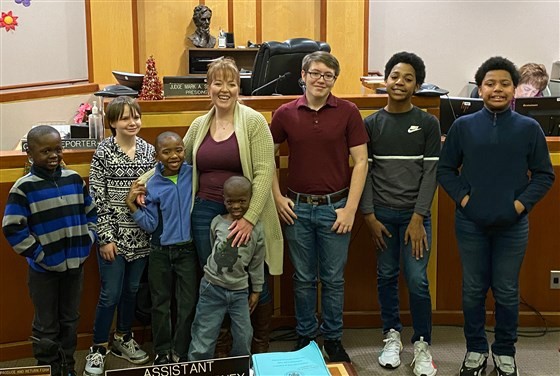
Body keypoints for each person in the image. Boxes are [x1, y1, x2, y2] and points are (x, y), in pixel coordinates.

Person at [138, 57, 282, 354]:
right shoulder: (200, 124)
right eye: (218, 83)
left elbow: (265, 170)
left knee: (254, 272)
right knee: (215, 276)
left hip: (244, 211)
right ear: (208, 87)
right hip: (204, 211)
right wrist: (141, 182)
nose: (224, 89)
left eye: (231, 83)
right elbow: (174, 160)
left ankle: (258, 342)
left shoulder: (253, 121)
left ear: (239, 87)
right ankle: (222, 342)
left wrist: (250, 218)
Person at [437, 56, 555, 376]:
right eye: (490, 83)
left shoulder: (529, 128)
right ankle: (475, 350)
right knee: (473, 289)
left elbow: (544, 175)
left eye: (504, 83)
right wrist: (464, 200)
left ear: (514, 88)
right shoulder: (463, 126)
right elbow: (446, 170)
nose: (497, 89)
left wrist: (518, 206)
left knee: (506, 290)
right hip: (471, 222)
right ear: (480, 88)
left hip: (512, 226)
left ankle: (505, 351)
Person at [270, 51, 369, 363]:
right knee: (302, 278)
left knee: (333, 278)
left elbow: (362, 161)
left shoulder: (349, 111)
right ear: (303, 74)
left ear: (334, 80)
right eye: (315, 73)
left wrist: (351, 209)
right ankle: (306, 335)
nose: (320, 80)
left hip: (335, 208)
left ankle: (334, 338)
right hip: (296, 209)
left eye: (328, 75)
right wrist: (276, 197)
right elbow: (265, 157)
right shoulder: (285, 112)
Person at [359, 52, 439, 376]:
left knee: (418, 280)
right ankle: (391, 335)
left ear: (417, 84)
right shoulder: (371, 124)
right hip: (381, 218)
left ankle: (421, 343)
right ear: (386, 80)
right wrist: (368, 216)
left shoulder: (428, 123)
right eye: (395, 76)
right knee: (386, 276)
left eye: (408, 78)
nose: (400, 82)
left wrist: (419, 217)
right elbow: (364, 173)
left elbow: (430, 175)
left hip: (414, 218)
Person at [2, 125, 97, 376]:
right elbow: (13, 228)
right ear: (30, 153)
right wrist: (39, 255)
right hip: (43, 271)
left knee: (70, 320)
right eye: (46, 151)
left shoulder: (74, 179)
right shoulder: (24, 188)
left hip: (74, 267)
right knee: (46, 325)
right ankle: (49, 368)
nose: (54, 155)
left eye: (57, 148)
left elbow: (91, 213)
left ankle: (68, 366)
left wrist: (87, 240)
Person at [85, 96, 155, 376]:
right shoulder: (103, 152)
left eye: (136, 116)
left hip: (141, 235)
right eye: (125, 118)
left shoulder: (149, 150)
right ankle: (98, 347)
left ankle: (123, 337)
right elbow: (96, 199)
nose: (132, 122)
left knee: (132, 291)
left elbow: (155, 188)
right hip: (113, 237)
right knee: (110, 294)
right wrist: (105, 238)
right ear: (112, 123)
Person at [126, 131, 197, 365]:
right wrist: (132, 206)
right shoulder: (152, 184)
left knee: (187, 304)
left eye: (178, 150)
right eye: (166, 152)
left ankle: (181, 350)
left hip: (187, 251)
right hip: (160, 252)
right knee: (161, 304)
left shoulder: (194, 175)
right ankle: (162, 352)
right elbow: (150, 224)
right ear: (157, 156)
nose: (174, 155)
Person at [188, 176, 265, 360]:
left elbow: (257, 262)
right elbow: (212, 247)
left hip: (239, 292)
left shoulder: (256, 229)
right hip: (211, 287)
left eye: (242, 201)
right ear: (223, 199)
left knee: (244, 335)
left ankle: (240, 367)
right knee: (203, 334)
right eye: (230, 201)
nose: (236, 206)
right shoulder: (217, 222)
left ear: (250, 199)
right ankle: (197, 367)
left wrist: (257, 290)